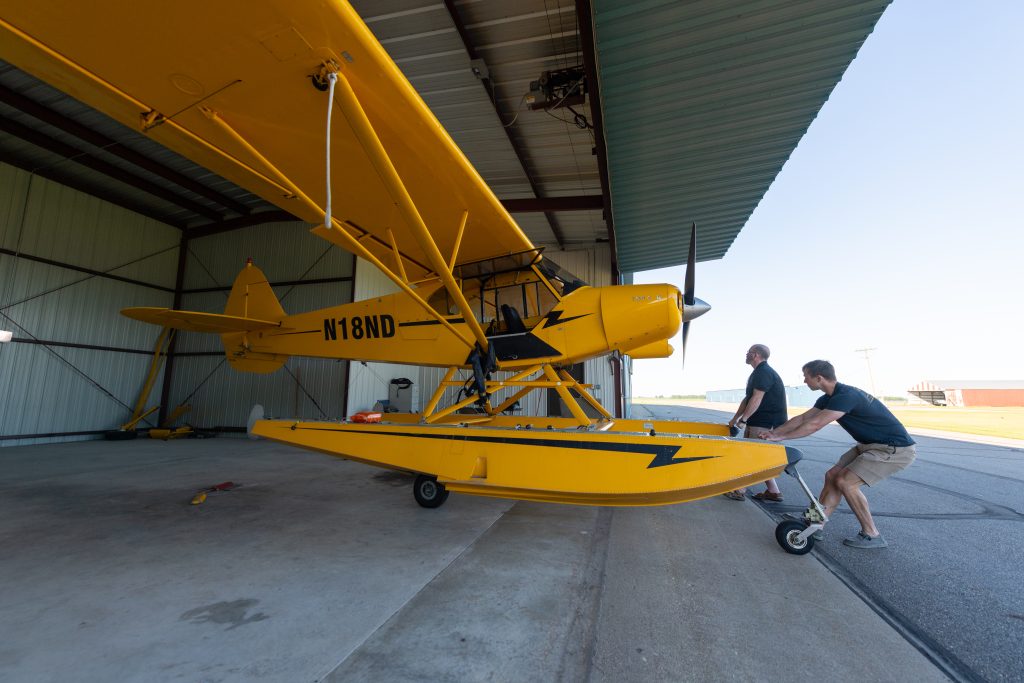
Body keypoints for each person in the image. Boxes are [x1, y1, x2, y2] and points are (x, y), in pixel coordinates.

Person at [761, 360, 916, 549]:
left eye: (806, 376)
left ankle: (871, 534)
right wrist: (774, 433)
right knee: (832, 476)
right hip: (870, 446)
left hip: (893, 449)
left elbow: (815, 424)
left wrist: (782, 437)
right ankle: (814, 523)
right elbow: (803, 418)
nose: (804, 380)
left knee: (846, 482)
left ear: (819, 378)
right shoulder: (829, 397)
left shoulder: (846, 396)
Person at [723, 344, 788, 501]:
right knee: (760, 456)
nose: (746, 354)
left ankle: (739, 490)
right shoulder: (758, 373)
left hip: (766, 422)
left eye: (749, 352)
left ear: (756, 354)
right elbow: (748, 398)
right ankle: (773, 491)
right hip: (760, 420)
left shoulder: (764, 372)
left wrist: (743, 420)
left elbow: (757, 398)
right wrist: (735, 418)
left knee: (751, 455)